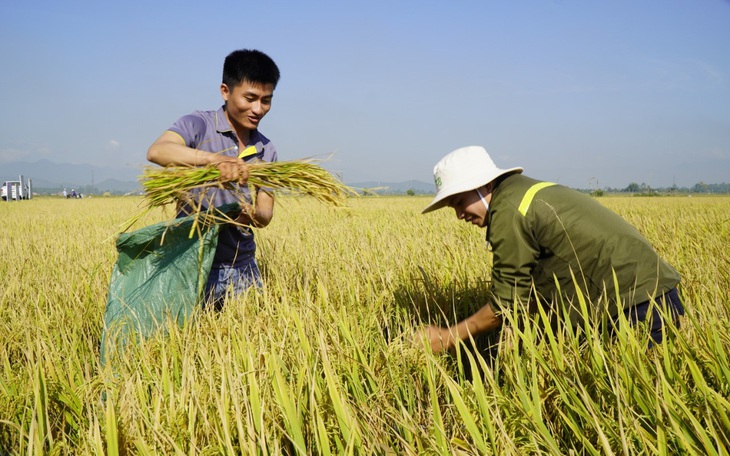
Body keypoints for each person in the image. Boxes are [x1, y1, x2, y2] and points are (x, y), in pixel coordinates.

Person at [419, 146, 684, 353]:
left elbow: (506, 303)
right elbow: (532, 288)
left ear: (484, 185)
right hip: (651, 292)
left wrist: (448, 337)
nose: (458, 215)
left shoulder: (510, 211)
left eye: (459, 202)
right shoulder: (523, 192)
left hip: (636, 306)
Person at [147, 49, 280, 308]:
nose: (258, 109)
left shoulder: (267, 149)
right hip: (192, 264)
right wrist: (215, 160)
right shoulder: (199, 125)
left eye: (266, 100)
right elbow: (157, 151)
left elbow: (265, 215)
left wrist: (244, 213)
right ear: (225, 91)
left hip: (241, 268)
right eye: (250, 98)